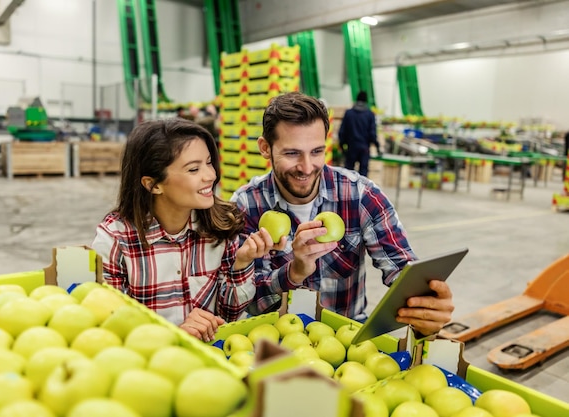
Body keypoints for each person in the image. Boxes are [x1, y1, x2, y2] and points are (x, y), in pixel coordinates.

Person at [231, 92, 454, 337]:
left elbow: (401, 268)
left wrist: (426, 304)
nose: (307, 167)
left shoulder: (360, 194)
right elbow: (244, 301)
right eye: (292, 153)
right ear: (265, 148)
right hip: (273, 337)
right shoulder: (246, 204)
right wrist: (294, 272)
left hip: (345, 336)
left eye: (316, 151)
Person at [92, 118, 276, 342]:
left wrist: (242, 263)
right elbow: (109, 331)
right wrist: (173, 334)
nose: (210, 175)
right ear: (153, 184)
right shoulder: (115, 240)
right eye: (194, 169)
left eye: (209, 163)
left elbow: (230, 315)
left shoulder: (222, 225)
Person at [338, 90, 381, 176]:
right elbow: (372, 134)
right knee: (363, 175)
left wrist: (342, 146)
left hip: (351, 147)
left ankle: (347, 189)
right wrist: (377, 146)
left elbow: (342, 131)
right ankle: (361, 189)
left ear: (356, 100)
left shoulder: (349, 113)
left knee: (348, 174)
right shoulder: (370, 115)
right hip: (364, 149)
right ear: (366, 101)